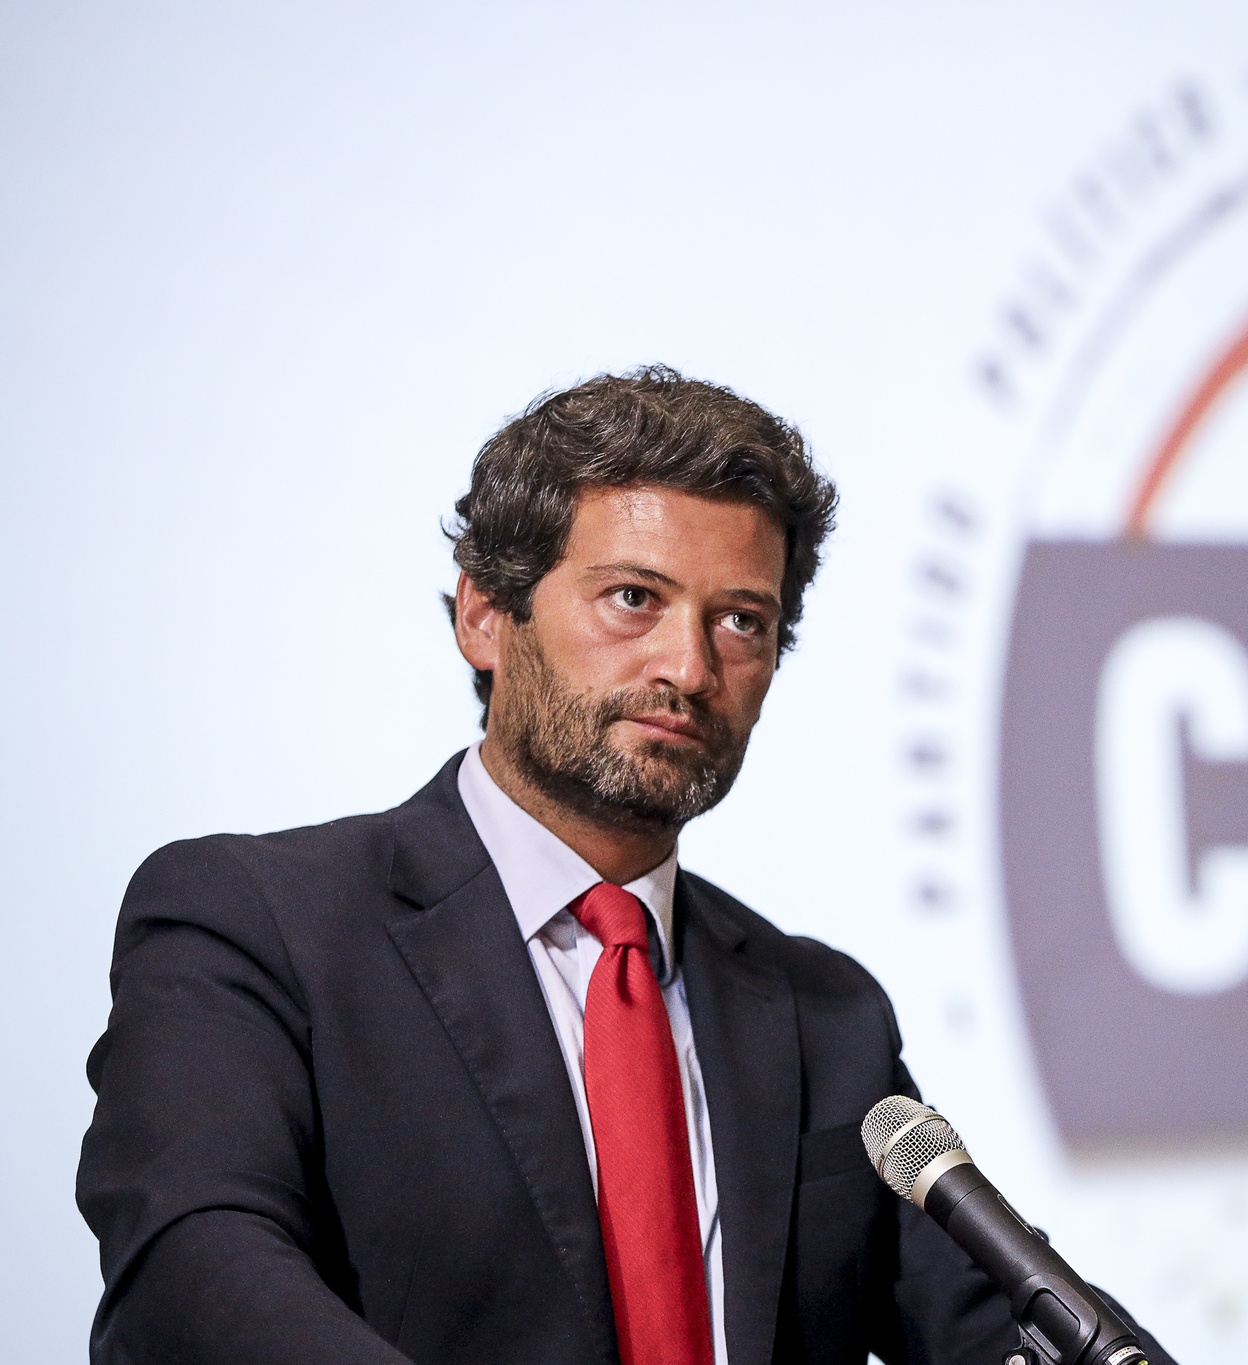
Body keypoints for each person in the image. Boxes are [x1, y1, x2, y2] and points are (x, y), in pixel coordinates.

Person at [77, 368, 1170, 1365]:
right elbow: (192, 1281)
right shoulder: (256, 927)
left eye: (739, 621)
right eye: (634, 598)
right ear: (484, 615)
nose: (688, 667)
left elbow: (994, 1329)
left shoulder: (824, 1016)